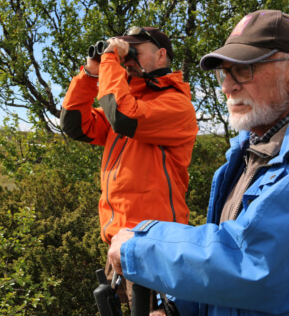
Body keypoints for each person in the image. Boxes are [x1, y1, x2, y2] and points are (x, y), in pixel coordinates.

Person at [108, 10, 289, 316]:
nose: (227, 86)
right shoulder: (248, 152)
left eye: (244, 70)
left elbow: (259, 264)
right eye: (224, 73)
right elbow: (226, 264)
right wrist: (177, 309)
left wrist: (142, 246)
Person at [60, 26, 198, 306]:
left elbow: (122, 116)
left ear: (161, 55)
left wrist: (111, 60)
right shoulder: (130, 103)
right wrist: (90, 74)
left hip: (155, 246)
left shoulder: (175, 104)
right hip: (120, 247)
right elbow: (74, 125)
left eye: (135, 50)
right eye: (125, 50)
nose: (128, 56)